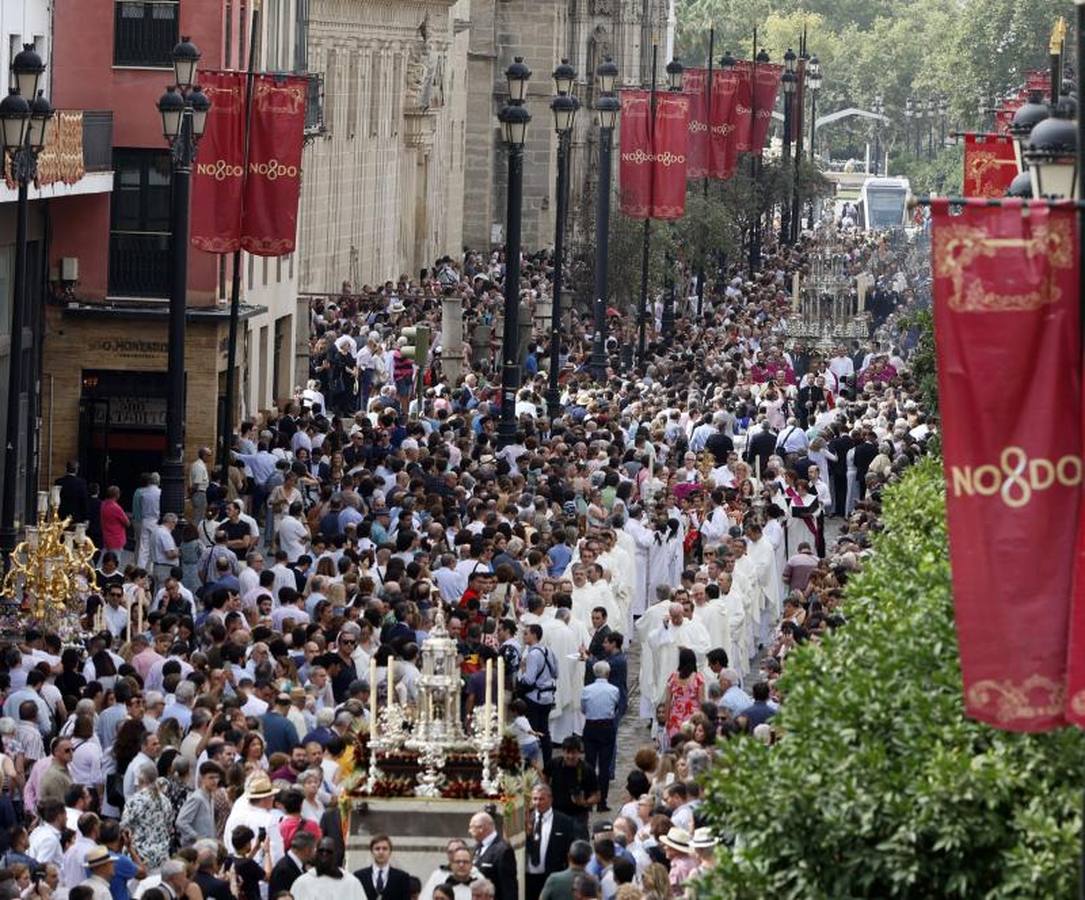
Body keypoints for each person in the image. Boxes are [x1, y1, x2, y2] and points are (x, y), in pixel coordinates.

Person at [579, 663, 619, 813]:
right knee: (604, 766)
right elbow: (615, 706)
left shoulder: (586, 690)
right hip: (606, 727)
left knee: (589, 764)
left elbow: (583, 709)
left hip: (591, 726)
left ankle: (589, 798)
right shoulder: (614, 690)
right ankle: (602, 801)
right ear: (608, 674)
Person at [525, 785, 576, 900]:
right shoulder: (526, 819)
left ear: (551, 799)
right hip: (528, 878)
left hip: (551, 877)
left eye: (541, 799)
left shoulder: (564, 822)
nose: (538, 803)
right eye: (535, 799)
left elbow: (569, 850)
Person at [542, 737, 597, 836]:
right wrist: (547, 791)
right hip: (556, 813)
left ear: (579, 753)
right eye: (568, 753)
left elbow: (596, 795)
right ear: (562, 752)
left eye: (574, 753)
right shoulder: (554, 764)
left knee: (579, 846)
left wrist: (584, 802)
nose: (571, 756)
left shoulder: (587, 770)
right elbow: (545, 775)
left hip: (578, 815)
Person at [291, 837, 365, 900]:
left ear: (336, 855)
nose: (324, 854)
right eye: (321, 851)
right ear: (316, 853)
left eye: (329, 851)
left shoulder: (352, 883)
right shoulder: (301, 883)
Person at [468, 813, 517, 900]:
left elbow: (508, 888)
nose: (469, 831)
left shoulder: (503, 850)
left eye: (472, 827)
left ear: (481, 828)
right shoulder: (478, 847)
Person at [353, 834, 410, 900]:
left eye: (385, 849)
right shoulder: (359, 876)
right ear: (372, 852)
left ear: (390, 852)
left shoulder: (402, 877)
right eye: (377, 849)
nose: (381, 852)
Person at [268, 830, 316, 899]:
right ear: (307, 850)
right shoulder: (283, 870)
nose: (314, 853)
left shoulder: (297, 865)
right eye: (313, 849)